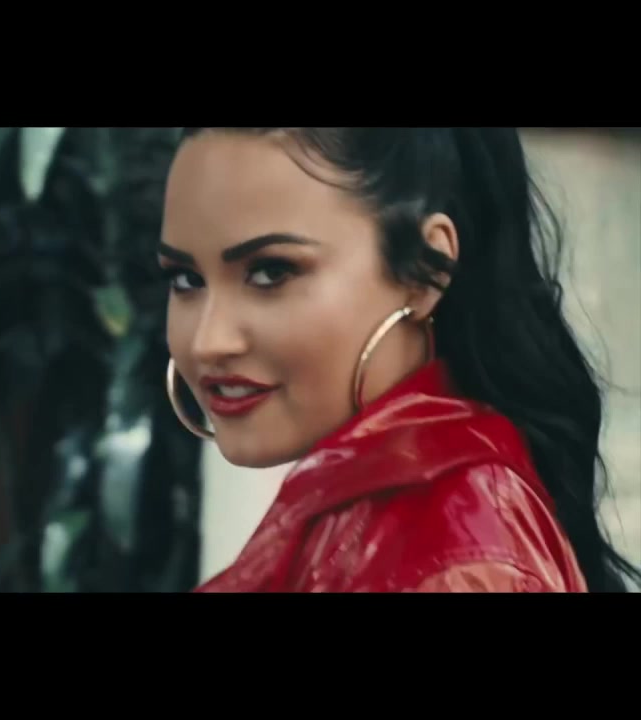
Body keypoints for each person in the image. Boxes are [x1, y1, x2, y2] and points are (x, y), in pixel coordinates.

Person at [159, 127, 640, 592]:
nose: (207, 342)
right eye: (186, 279)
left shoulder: (456, 553)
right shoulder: (364, 516)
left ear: (426, 271)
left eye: (271, 272)